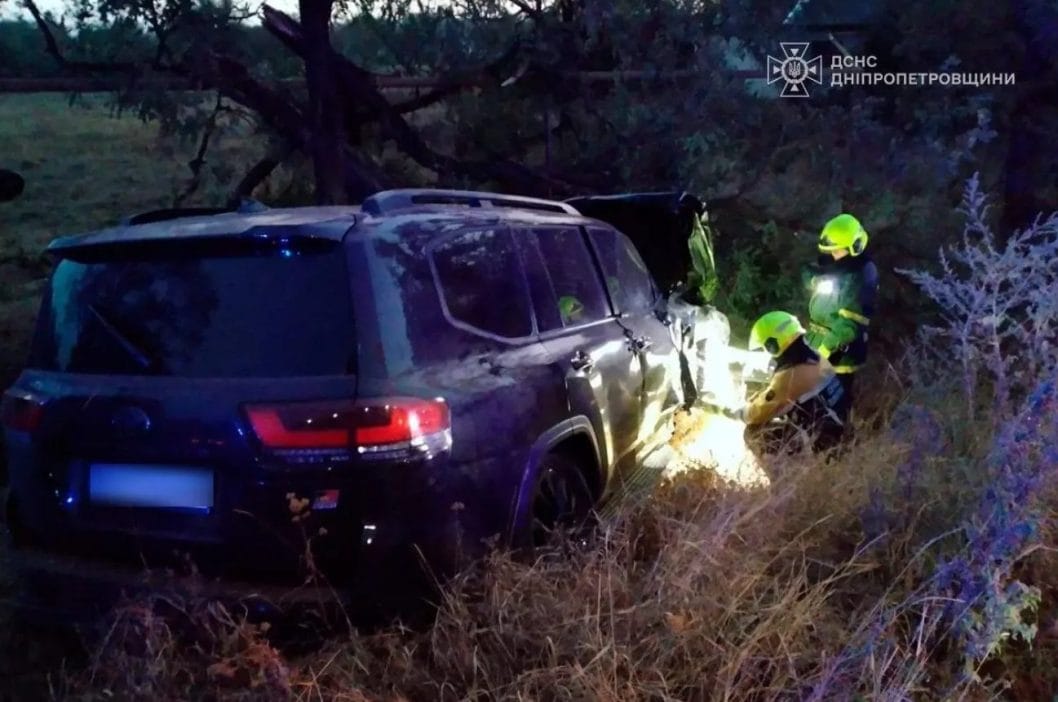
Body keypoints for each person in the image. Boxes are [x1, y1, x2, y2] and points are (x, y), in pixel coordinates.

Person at [713, 311, 850, 454]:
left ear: (772, 345)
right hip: (841, 420)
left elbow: (760, 412)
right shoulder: (814, 356)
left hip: (826, 440)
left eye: (765, 348)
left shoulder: (790, 375)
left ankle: (792, 465)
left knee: (753, 433)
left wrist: (738, 412)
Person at [803, 213, 879, 401]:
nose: (833, 255)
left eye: (837, 251)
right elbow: (813, 275)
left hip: (837, 357)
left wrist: (823, 351)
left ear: (854, 247)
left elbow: (849, 325)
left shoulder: (862, 275)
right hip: (817, 342)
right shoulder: (839, 267)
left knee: (828, 404)